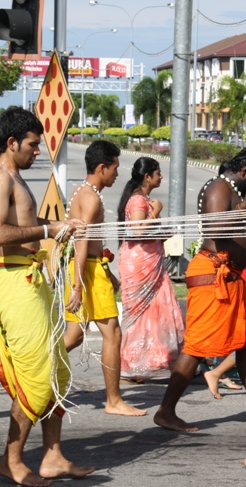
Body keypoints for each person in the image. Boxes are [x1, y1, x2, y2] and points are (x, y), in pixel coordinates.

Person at [0, 106, 94, 487]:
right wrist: (50, 227)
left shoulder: (14, 176)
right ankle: (10, 461)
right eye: (33, 145)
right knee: (35, 376)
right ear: (12, 142)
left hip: (30, 279)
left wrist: (56, 233)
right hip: (14, 282)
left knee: (56, 369)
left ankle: (52, 456)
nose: (38, 152)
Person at [153, 147, 246, 432]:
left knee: (245, 343)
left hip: (228, 275)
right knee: (196, 347)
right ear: (245, 172)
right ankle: (166, 411)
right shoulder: (220, 186)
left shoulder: (230, 189)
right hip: (212, 274)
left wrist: (243, 205)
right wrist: (244, 209)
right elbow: (216, 229)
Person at [62, 141, 147, 416]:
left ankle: (33, 374)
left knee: (73, 337)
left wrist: (107, 271)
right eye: (115, 168)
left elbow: (91, 243)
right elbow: (82, 239)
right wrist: (78, 285)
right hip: (84, 271)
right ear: (102, 167)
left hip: (89, 267)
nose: (117, 174)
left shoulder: (82, 191)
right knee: (113, 333)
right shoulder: (91, 197)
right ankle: (113, 401)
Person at [116, 157, 184, 381]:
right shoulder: (138, 200)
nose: (161, 177)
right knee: (139, 314)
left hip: (150, 261)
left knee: (154, 312)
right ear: (147, 177)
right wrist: (157, 212)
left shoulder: (143, 199)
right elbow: (137, 231)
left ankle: (148, 362)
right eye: (158, 173)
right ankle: (133, 365)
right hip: (139, 264)